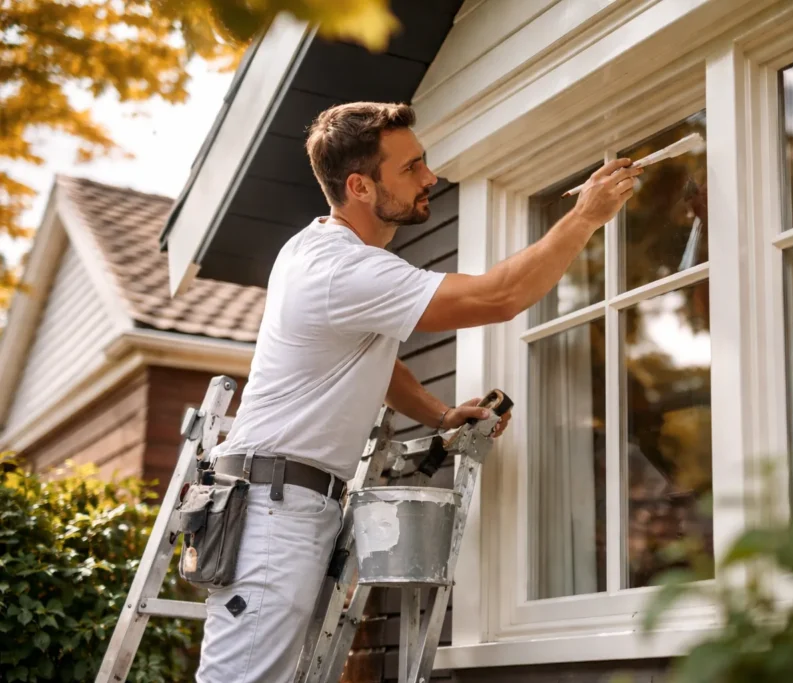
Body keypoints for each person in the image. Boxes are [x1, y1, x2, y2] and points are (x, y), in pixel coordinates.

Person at [194, 101, 642, 682]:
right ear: (359, 185)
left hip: (290, 503)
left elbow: (370, 360)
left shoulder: (323, 252)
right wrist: (584, 217)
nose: (430, 178)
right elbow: (496, 298)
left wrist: (438, 414)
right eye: (411, 168)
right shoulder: (339, 269)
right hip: (275, 512)